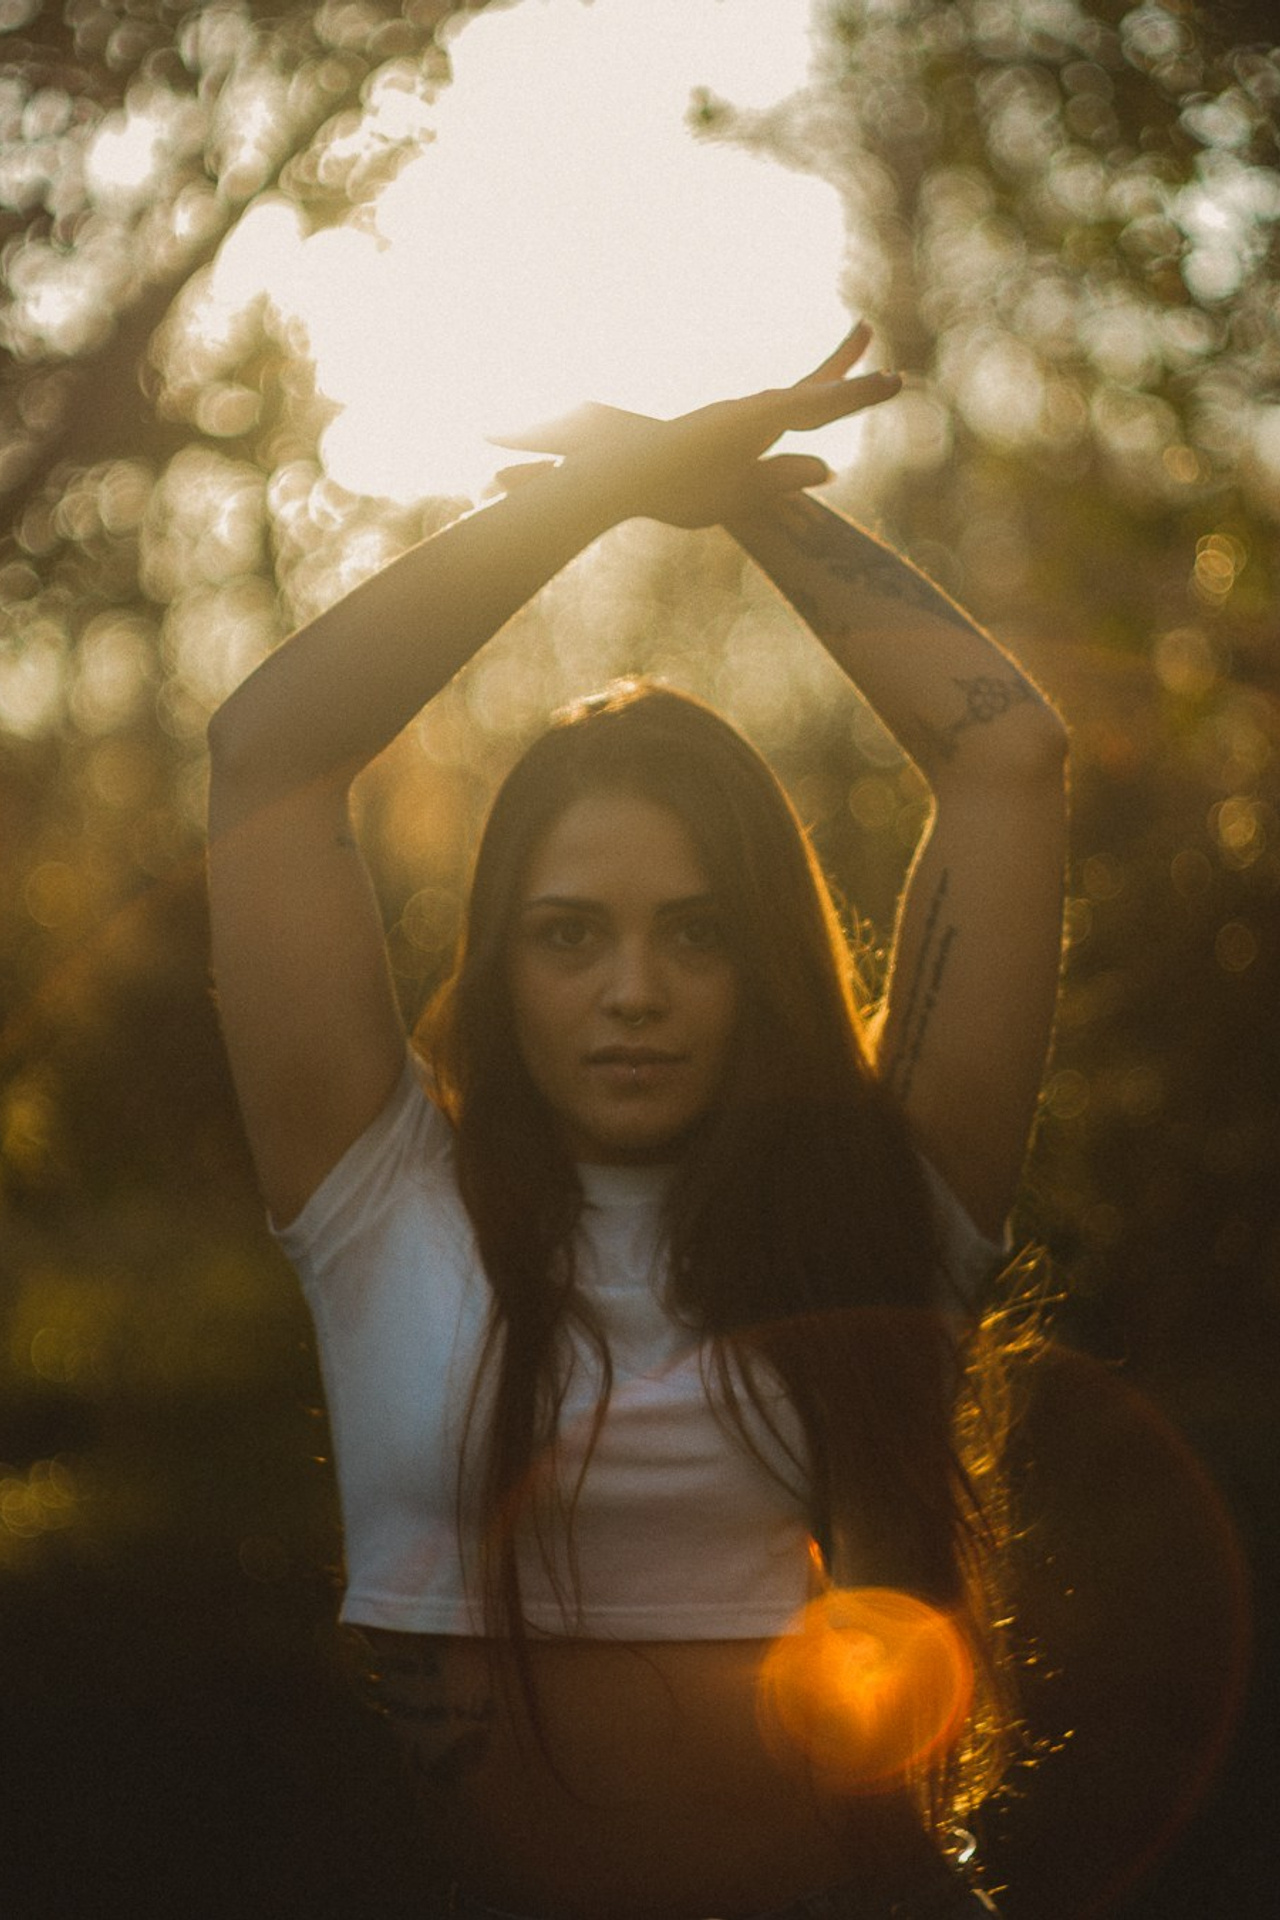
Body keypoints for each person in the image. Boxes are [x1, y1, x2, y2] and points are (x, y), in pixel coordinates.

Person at [206, 325, 1068, 1919]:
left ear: (763, 958)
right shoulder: (383, 1200)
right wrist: (600, 492)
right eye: (569, 932)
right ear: (500, 956)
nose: (633, 990)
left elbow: (1005, 757)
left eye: (697, 929)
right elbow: (267, 760)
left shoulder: (890, 1206)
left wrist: (740, 495)